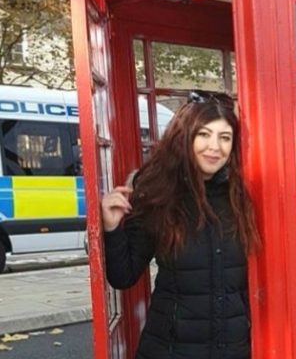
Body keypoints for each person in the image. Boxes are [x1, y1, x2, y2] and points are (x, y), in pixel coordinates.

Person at [101, 91, 260, 359]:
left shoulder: (241, 196)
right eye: (204, 134)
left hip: (232, 350)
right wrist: (112, 228)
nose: (215, 147)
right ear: (186, 138)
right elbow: (123, 276)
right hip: (170, 349)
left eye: (225, 138)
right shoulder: (159, 194)